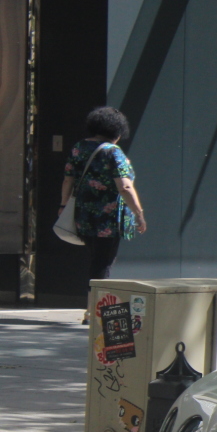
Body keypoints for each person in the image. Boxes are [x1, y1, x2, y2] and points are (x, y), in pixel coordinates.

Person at [61, 106, 146, 323]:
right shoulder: (112, 151)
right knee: (103, 264)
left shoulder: (80, 147)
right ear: (117, 131)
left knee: (95, 261)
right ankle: (94, 312)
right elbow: (125, 187)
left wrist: (62, 206)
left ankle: (92, 309)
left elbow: (68, 179)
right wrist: (139, 213)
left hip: (84, 215)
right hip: (108, 219)